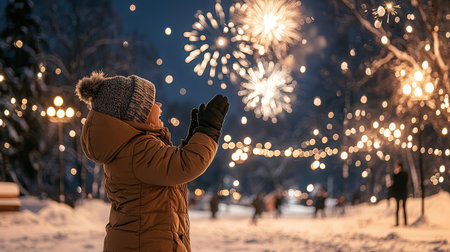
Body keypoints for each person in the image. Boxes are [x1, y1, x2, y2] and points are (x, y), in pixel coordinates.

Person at [75, 71, 229, 252]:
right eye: (152, 102)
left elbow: (169, 167)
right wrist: (208, 131)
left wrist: (192, 140)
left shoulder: (130, 148)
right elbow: (184, 165)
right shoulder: (138, 149)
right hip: (146, 244)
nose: (159, 104)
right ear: (138, 113)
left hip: (140, 241)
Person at [392, 161, 409, 226]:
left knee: (400, 209)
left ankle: (401, 223)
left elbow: (395, 184)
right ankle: (403, 223)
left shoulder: (399, 175)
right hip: (402, 193)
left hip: (400, 193)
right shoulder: (404, 174)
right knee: (401, 209)